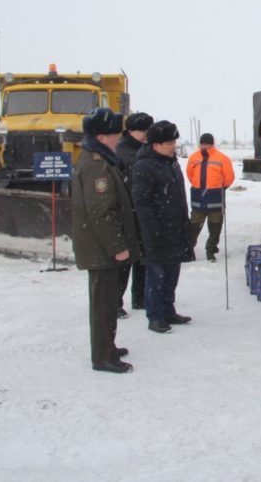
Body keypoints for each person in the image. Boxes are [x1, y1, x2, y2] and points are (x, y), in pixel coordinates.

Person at [71, 107, 141, 374]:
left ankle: (107, 346)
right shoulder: (96, 165)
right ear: (102, 137)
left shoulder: (99, 159)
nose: (117, 139)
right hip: (101, 250)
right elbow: (101, 212)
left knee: (108, 301)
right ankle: (102, 357)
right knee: (103, 304)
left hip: (102, 248)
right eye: (114, 135)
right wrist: (118, 247)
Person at [132, 120, 194, 334]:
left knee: (171, 274)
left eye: (174, 141)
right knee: (157, 275)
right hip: (157, 231)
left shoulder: (171, 162)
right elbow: (142, 204)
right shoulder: (144, 166)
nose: (174, 146)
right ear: (156, 145)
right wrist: (153, 232)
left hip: (175, 228)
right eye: (169, 142)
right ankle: (155, 316)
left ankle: (168, 310)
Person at [114, 111, 153, 315]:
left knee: (143, 259)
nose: (146, 133)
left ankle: (140, 298)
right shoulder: (121, 151)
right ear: (130, 131)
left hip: (143, 212)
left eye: (148, 129)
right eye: (142, 130)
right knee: (125, 261)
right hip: (127, 213)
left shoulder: (147, 149)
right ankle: (116, 303)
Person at [187, 133, 235, 263]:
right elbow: (190, 174)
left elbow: (229, 177)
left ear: (212, 144)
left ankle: (211, 249)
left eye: (207, 144)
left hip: (215, 198)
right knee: (194, 226)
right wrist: (198, 186)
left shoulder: (222, 158)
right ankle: (188, 250)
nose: (205, 146)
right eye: (203, 143)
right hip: (198, 197)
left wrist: (220, 188)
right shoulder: (194, 157)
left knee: (215, 227)